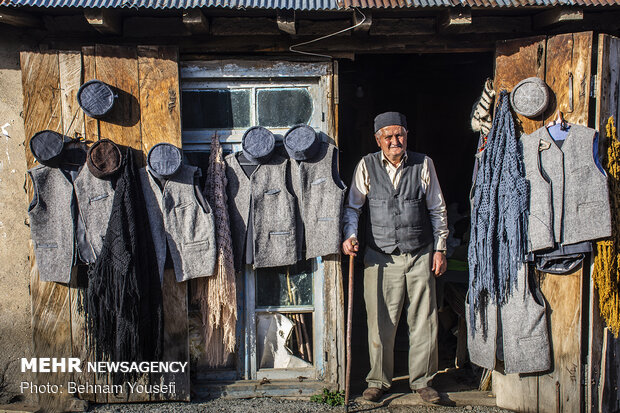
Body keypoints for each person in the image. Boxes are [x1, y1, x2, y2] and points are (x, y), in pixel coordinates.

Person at [342, 111, 449, 403]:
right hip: (380, 256)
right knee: (379, 321)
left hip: (419, 253)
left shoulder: (423, 163)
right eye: (388, 136)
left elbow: (437, 209)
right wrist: (350, 236)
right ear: (378, 139)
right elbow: (353, 208)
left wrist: (440, 249)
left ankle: (424, 382)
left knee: (424, 320)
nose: (394, 141)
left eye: (399, 135)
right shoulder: (366, 165)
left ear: (406, 136)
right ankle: (378, 380)